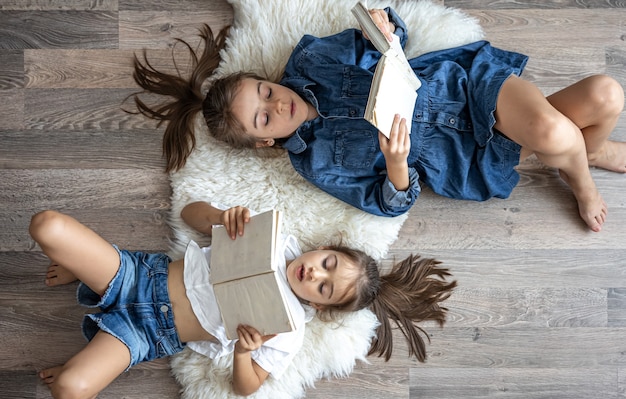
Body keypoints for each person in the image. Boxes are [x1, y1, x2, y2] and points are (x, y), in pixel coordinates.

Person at [128, 6, 626, 233]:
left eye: (265, 91)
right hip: (462, 154)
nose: (278, 104)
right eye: (263, 117)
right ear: (264, 143)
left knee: (588, 104)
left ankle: (579, 166)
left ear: (268, 78)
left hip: (466, 89)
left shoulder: (310, 61)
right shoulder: (316, 164)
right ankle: (587, 163)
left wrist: (383, 28)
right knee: (599, 102)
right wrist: (395, 163)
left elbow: (390, 39)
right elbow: (388, 204)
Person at [31, 202, 456, 399]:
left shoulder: (289, 329)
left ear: (322, 308)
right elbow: (189, 212)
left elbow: (246, 387)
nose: (316, 275)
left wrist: (244, 352)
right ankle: (85, 271)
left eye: (325, 288)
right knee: (47, 225)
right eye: (327, 264)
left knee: (70, 392)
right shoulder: (271, 238)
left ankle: (81, 344)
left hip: (149, 333)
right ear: (323, 248)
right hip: (139, 276)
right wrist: (220, 216)